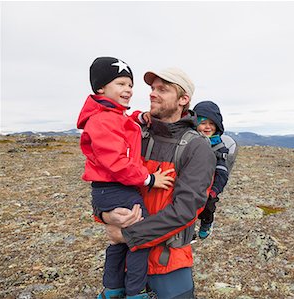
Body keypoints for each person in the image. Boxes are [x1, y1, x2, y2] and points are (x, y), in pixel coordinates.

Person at [102, 67, 216, 299]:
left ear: (183, 100)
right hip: (126, 260)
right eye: (152, 89)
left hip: (167, 263)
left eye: (162, 89)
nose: (152, 94)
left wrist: (129, 235)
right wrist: (105, 216)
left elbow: (186, 210)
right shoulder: (136, 133)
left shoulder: (197, 148)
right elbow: (105, 181)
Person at [77, 57, 175, 299]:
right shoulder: (102, 120)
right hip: (117, 187)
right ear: (100, 88)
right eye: (120, 83)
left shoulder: (109, 115)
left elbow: (122, 123)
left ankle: (112, 289)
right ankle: (136, 292)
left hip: (108, 189)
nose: (128, 90)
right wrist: (149, 179)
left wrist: (139, 118)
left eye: (130, 85)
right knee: (138, 238)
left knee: (119, 241)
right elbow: (116, 163)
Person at [193, 101, 229, 239]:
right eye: (203, 122)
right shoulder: (189, 141)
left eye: (212, 123)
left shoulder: (219, 148)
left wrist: (214, 191)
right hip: (191, 182)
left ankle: (207, 223)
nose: (208, 127)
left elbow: (222, 173)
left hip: (209, 186)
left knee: (207, 207)